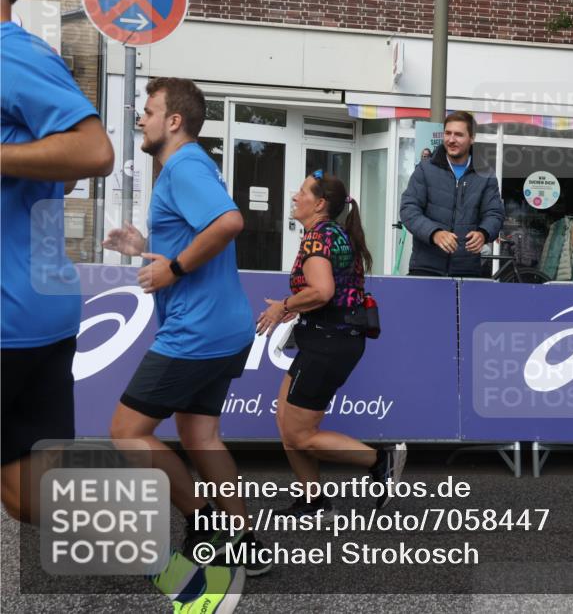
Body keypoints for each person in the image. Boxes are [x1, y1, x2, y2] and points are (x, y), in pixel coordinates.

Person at [103, 78, 269, 579]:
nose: (142, 118)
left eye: (149, 111)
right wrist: (144, 247)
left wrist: (172, 270)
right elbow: (195, 232)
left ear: (174, 121)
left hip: (197, 331)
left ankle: (204, 523)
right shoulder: (191, 165)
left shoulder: (184, 164)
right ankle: (246, 543)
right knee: (201, 436)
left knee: (127, 433)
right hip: (224, 327)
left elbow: (229, 223)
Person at [1, 0, 115, 522]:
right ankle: (188, 578)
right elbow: (63, 172)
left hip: (12, 315)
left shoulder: (11, 55)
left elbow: (94, 151)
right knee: (29, 498)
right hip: (33, 308)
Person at [256, 170, 406, 516]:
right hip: (331, 339)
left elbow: (323, 291)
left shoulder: (318, 238)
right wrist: (300, 307)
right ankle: (313, 500)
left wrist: (285, 306)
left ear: (319, 203)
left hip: (329, 343)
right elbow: (331, 292)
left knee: (299, 435)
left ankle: (381, 460)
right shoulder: (332, 233)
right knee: (286, 422)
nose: (295, 196)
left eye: (302, 192)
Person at [400, 111, 504, 277]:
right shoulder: (425, 169)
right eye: (447, 133)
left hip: (467, 272)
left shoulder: (486, 175)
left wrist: (483, 233)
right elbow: (408, 209)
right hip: (425, 269)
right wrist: (434, 233)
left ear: (472, 138)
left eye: (459, 135)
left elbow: (495, 214)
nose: (451, 140)